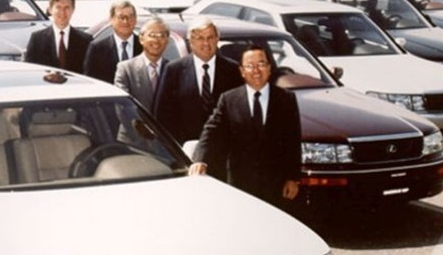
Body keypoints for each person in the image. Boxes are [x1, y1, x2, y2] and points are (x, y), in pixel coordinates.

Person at [189, 44, 302, 208]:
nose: (256, 70)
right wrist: (200, 160)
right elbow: (211, 132)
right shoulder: (229, 99)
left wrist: (293, 178)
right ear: (242, 71)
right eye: (250, 66)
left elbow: (293, 140)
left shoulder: (286, 99)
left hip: (275, 184)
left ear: (269, 68)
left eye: (261, 64)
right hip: (240, 182)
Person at [153, 16, 242, 145]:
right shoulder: (174, 70)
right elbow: (162, 116)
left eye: (210, 37)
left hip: (223, 151)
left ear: (217, 39)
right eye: (200, 38)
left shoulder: (233, 70)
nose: (206, 43)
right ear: (191, 41)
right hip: (185, 150)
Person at [24, 0, 91, 74]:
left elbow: (90, 73)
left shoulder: (85, 41)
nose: (62, 12)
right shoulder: (37, 40)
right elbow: (30, 72)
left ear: (73, 10)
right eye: (58, 7)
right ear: (50, 10)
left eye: (67, 7)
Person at [113, 17, 170, 111]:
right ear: (141, 39)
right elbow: (121, 106)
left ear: (167, 40)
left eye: (161, 35)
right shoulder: (126, 69)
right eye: (152, 35)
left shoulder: (174, 70)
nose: (156, 40)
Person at [83, 0, 142, 83]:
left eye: (130, 17)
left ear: (135, 20)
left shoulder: (145, 46)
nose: (125, 21)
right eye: (121, 17)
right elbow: (90, 81)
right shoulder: (97, 49)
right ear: (111, 20)